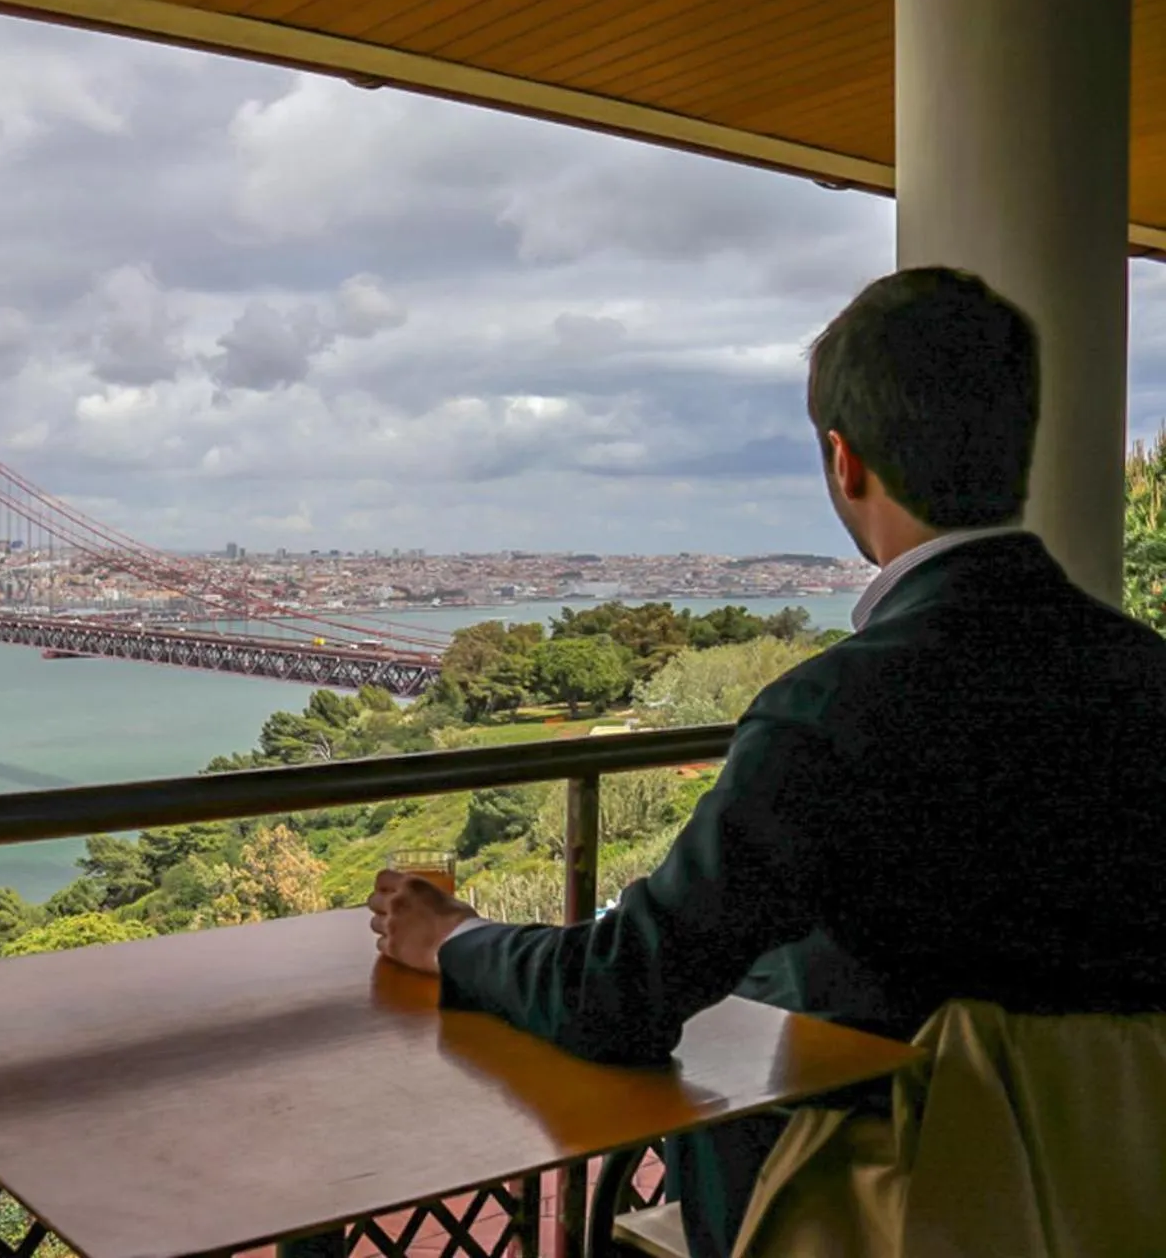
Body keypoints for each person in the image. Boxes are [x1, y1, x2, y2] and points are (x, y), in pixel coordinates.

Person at [368, 267, 1166, 1258]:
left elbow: (620, 994)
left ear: (845, 461)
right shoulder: (1148, 674)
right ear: (1022, 444)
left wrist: (451, 936)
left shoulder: (832, 714)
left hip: (900, 1208)